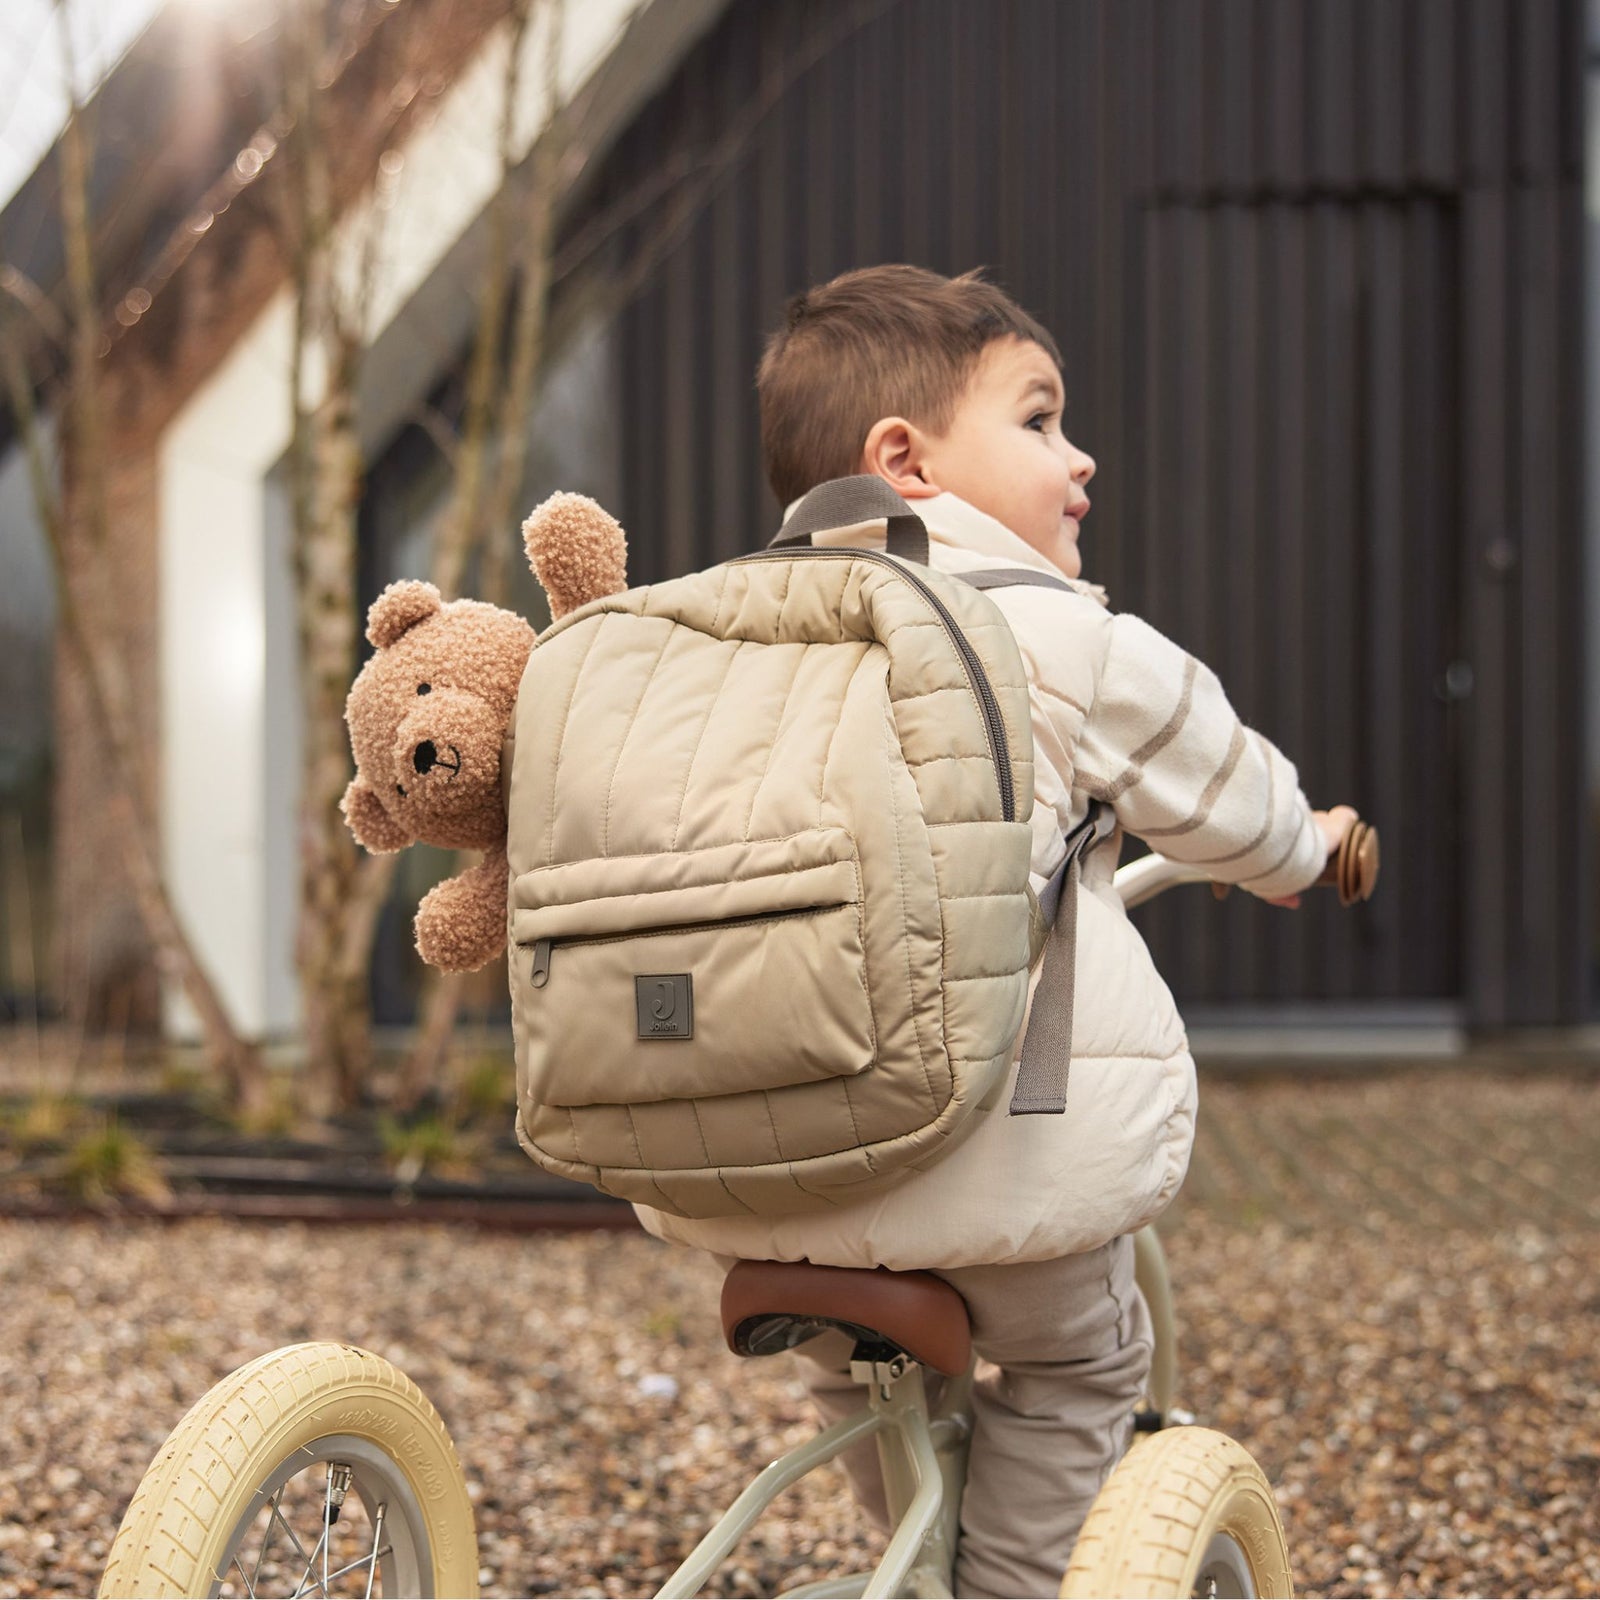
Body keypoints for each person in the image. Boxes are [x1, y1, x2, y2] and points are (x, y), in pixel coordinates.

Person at [633, 264, 1356, 1598]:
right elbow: (1225, 787)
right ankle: (1008, 1588)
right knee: (1084, 1361)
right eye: (1038, 418)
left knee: (854, 1360)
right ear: (905, 461)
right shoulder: (1047, 633)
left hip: (750, 1190)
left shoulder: (703, 646)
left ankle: (906, 1564)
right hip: (987, 1174)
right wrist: (1306, 846)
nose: (1079, 457)